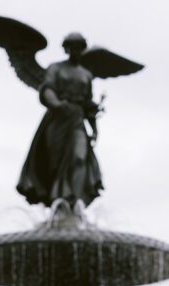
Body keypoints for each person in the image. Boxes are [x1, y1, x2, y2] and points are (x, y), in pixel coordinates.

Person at [17, 32, 103, 209]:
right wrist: (57, 104)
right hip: (57, 120)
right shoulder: (55, 68)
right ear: (66, 48)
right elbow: (47, 89)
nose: (75, 50)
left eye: (79, 47)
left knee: (79, 157)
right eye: (72, 46)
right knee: (55, 163)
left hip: (77, 120)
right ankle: (57, 198)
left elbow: (88, 105)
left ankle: (74, 198)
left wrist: (94, 129)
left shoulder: (86, 75)